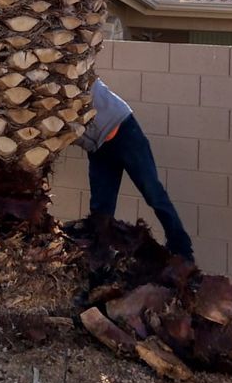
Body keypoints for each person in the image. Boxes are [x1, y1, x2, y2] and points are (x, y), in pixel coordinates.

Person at [81, 78, 194, 261]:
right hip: (98, 148)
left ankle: (183, 250)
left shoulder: (74, 71)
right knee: (101, 205)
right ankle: (100, 255)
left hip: (125, 133)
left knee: (153, 193)